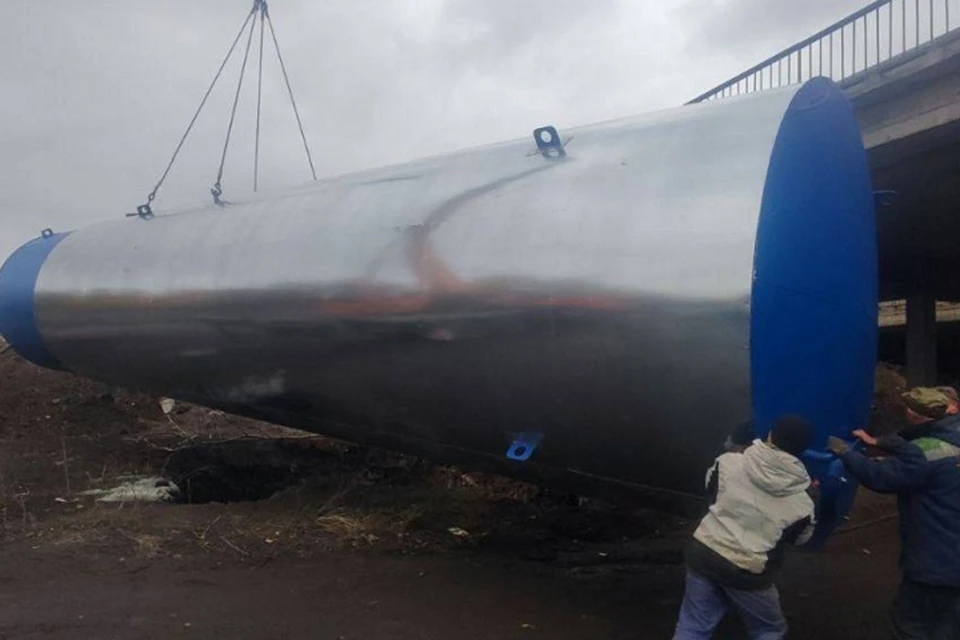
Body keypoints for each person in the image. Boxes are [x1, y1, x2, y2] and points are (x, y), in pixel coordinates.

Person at [673, 415, 816, 639]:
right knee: (769, 630)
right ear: (803, 449)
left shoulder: (727, 462)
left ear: (770, 435)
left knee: (694, 624)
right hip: (746, 571)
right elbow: (799, 539)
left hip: (704, 550)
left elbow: (711, 491)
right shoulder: (802, 503)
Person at [828, 399, 960, 639]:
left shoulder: (924, 451)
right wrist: (880, 443)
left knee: (912, 623)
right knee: (948, 622)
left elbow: (880, 477)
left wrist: (846, 453)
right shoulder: (950, 439)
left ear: (914, 415)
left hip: (935, 562)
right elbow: (914, 455)